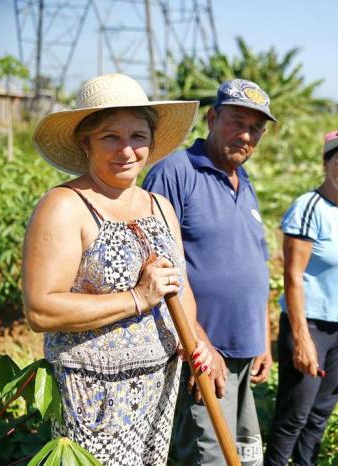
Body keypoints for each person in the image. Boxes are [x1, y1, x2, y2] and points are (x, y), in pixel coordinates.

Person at [22, 73, 212, 465]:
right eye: (110, 136)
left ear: (152, 142)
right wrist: (137, 298)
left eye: (138, 136)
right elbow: (41, 309)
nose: (126, 150)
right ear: (85, 141)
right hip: (94, 398)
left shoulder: (161, 206)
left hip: (158, 387)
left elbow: (180, 288)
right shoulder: (65, 206)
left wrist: (193, 341)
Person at [143, 78, 275, 465]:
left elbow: (256, 263)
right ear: (213, 117)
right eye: (236, 121)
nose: (245, 135)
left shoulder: (244, 181)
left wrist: (263, 338)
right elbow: (160, 269)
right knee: (208, 457)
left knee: (244, 456)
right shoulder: (175, 173)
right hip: (202, 354)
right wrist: (200, 344)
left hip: (243, 350)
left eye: (255, 129)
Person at [264, 128, 338, 466]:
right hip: (311, 326)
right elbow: (292, 275)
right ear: (326, 161)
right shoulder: (308, 207)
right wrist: (301, 338)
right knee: (293, 417)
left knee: (319, 417)